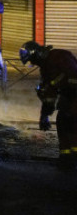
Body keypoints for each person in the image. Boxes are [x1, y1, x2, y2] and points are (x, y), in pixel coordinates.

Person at [19, 40, 77, 169]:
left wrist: (67, 94)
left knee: (72, 122)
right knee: (62, 121)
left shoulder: (59, 56)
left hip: (74, 94)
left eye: (32, 60)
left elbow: (73, 75)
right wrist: (44, 115)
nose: (33, 63)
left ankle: (72, 158)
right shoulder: (45, 67)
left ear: (36, 54)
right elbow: (50, 92)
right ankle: (66, 157)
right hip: (68, 96)